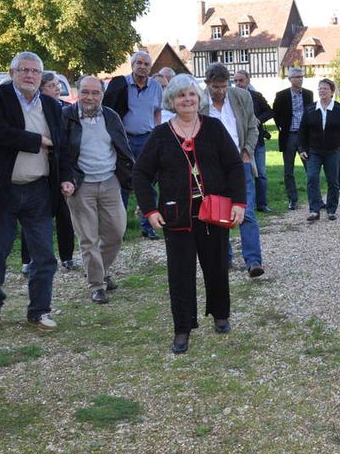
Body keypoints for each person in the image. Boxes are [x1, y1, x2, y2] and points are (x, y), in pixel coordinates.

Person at [132, 74, 247, 354]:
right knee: (180, 275)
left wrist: (239, 204)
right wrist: (149, 209)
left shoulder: (214, 128)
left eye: (192, 94)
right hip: (177, 216)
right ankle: (182, 328)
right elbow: (141, 173)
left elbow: (234, 166)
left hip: (213, 212)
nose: (187, 99)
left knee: (217, 266)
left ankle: (221, 314)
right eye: (181, 95)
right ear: (172, 100)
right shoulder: (161, 135)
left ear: (199, 98)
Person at [0, 52, 69, 331]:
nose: (30, 75)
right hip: (3, 190)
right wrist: (37, 140)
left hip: (39, 190)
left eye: (35, 72)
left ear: (41, 77)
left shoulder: (52, 106)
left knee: (44, 255)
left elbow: (60, 149)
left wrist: (66, 178)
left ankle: (39, 311)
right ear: (12, 72)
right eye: (24, 70)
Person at [61, 76, 134, 304]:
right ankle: (97, 284)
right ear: (77, 92)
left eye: (95, 93)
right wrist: (66, 178)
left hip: (109, 180)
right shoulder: (67, 117)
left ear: (102, 94)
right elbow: (60, 153)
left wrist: (131, 177)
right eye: (85, 92)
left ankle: (100, 270)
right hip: (81, 184)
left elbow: (123, 147)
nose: (90, 97)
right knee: (88, 237)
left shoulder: (111, 116)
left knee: (116, 231)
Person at [204, 64, 265, 278]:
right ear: (207, 84)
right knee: (218, 212)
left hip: (240, 163)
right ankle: (224, 258)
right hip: (212, 167)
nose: (220, 91)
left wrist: (247, 151)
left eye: (224, 86)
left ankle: (253, 261)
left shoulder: (241, 97)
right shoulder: (200, 102)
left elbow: (252, 126)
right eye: (215, 87)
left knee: (246, 212)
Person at [20, 71, 76, 273]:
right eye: (52, 85)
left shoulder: (66, 108)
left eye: (58, 85)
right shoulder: (30, 111)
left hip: (60, 168)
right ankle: (28, 260)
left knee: (65, 214)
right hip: (39, 170)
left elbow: (67, 143)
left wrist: (67, 175)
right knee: (33, 217)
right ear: (41, 89)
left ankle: (67, 257)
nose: (57, 89)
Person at [103, 51, 162, 239]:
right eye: (139, 63)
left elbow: (158, 111)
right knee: (123, 184)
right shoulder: (121, 85)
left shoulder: (156, 87)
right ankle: (119, 229)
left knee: (148, 183)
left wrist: (157, 133)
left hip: (147, 139)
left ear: (150, 68)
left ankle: (148, 225)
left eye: (146, 64)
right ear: (132, 64)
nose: (142, 67)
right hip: (125, 140)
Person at [298, 79, 340, 221]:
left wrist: (339, 142)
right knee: (312, 178)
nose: (322, 91)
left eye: (325, 88)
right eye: (320, 88)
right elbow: (302, 131)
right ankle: (314, 209)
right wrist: (302, 148)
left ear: (332, 92)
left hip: (332, 151)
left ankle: (331, 209)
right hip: (313, 151)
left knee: (333, 181)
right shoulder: (310, 109)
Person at [272, 67, 313, 210]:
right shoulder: (282, 95)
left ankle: (314, 199)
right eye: (297, 77)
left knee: (310, 168)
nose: (300, 79)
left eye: (302, 76)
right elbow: (275, 113)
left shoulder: (308, 94)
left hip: (304, 137)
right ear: (290, 79)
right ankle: (293, 199)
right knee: (288, 170)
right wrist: (282, 128)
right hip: (289, 136)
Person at [234, 70, 273, 213]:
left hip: (257, 141)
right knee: (242, 174)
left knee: (261, 173)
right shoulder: (230, 99)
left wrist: (259, 119)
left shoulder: (256, 96)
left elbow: (270, 111)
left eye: (241, 80)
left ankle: (261, 204)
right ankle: (244, 204)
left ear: (248, 81)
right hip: (239, 141)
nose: (238, 83)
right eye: (236, 81)